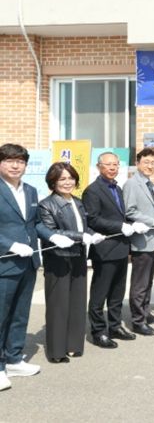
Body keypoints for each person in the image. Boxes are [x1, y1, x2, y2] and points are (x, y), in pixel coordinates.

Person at [38, 162, 106, 363]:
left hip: (78, 256)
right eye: (62, 179)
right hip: (58, 258)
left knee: (77, 302)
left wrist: (93, 234)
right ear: (53, 182)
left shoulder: (78, 202)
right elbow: (52, 231)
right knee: (58, 305)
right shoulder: (46, 204)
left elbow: (84, 227)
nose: (67, 182)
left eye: (71, 178)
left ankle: (74, 345)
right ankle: (57, 351)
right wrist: (80, 236)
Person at [0, 144, 53, 390]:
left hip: (29, 261)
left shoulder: (30, 190)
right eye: (9, 161)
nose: (15, 166)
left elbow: (36, 223)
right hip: (5, 262)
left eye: (20, 162)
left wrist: (53, 235)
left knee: (20, 314)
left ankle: (13, 358)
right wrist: (10, 245)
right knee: (1, 315)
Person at [82, 152, 137, 349]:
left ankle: (115, 326)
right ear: (99, 167)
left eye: (115, 164)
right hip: (104, 249)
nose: (113, 168)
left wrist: (131, 224)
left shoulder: (117, 188)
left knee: (117, 292)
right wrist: (119, 226)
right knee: (100, 293)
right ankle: (98, 332)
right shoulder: (92, 191)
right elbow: (93, 219)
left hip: (121, 247)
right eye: (108, 164)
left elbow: (121, 215)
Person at [123, 148, 154, 336]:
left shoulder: (150, 184)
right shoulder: (132, 184)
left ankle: (145, 312)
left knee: (148, 280)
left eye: (153, 163)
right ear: (138, 163)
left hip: (153, 239)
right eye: (146, 162)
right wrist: (152, 222)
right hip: (141, 241)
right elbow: (130, 211)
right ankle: (137, 320)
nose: (150, 166)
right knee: (140, 283)